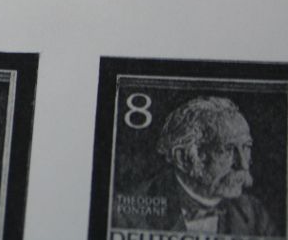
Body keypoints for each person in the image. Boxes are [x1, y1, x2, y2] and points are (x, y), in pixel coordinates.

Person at [113, 96, 278, 235]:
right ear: (183, 158)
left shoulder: (254, 213)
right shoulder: (126, 214)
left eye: (246, 147)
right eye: (227, 150)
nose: (243, 164)